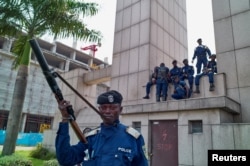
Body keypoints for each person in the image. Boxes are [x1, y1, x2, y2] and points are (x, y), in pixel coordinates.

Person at [55, 90, 148, 166]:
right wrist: (65, 118)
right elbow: (65, 159)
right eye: (104, 107)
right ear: (99, 110)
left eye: (112, 107)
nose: (107, 111)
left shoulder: (134, 138)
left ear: (120, 110)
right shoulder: (90, 139)